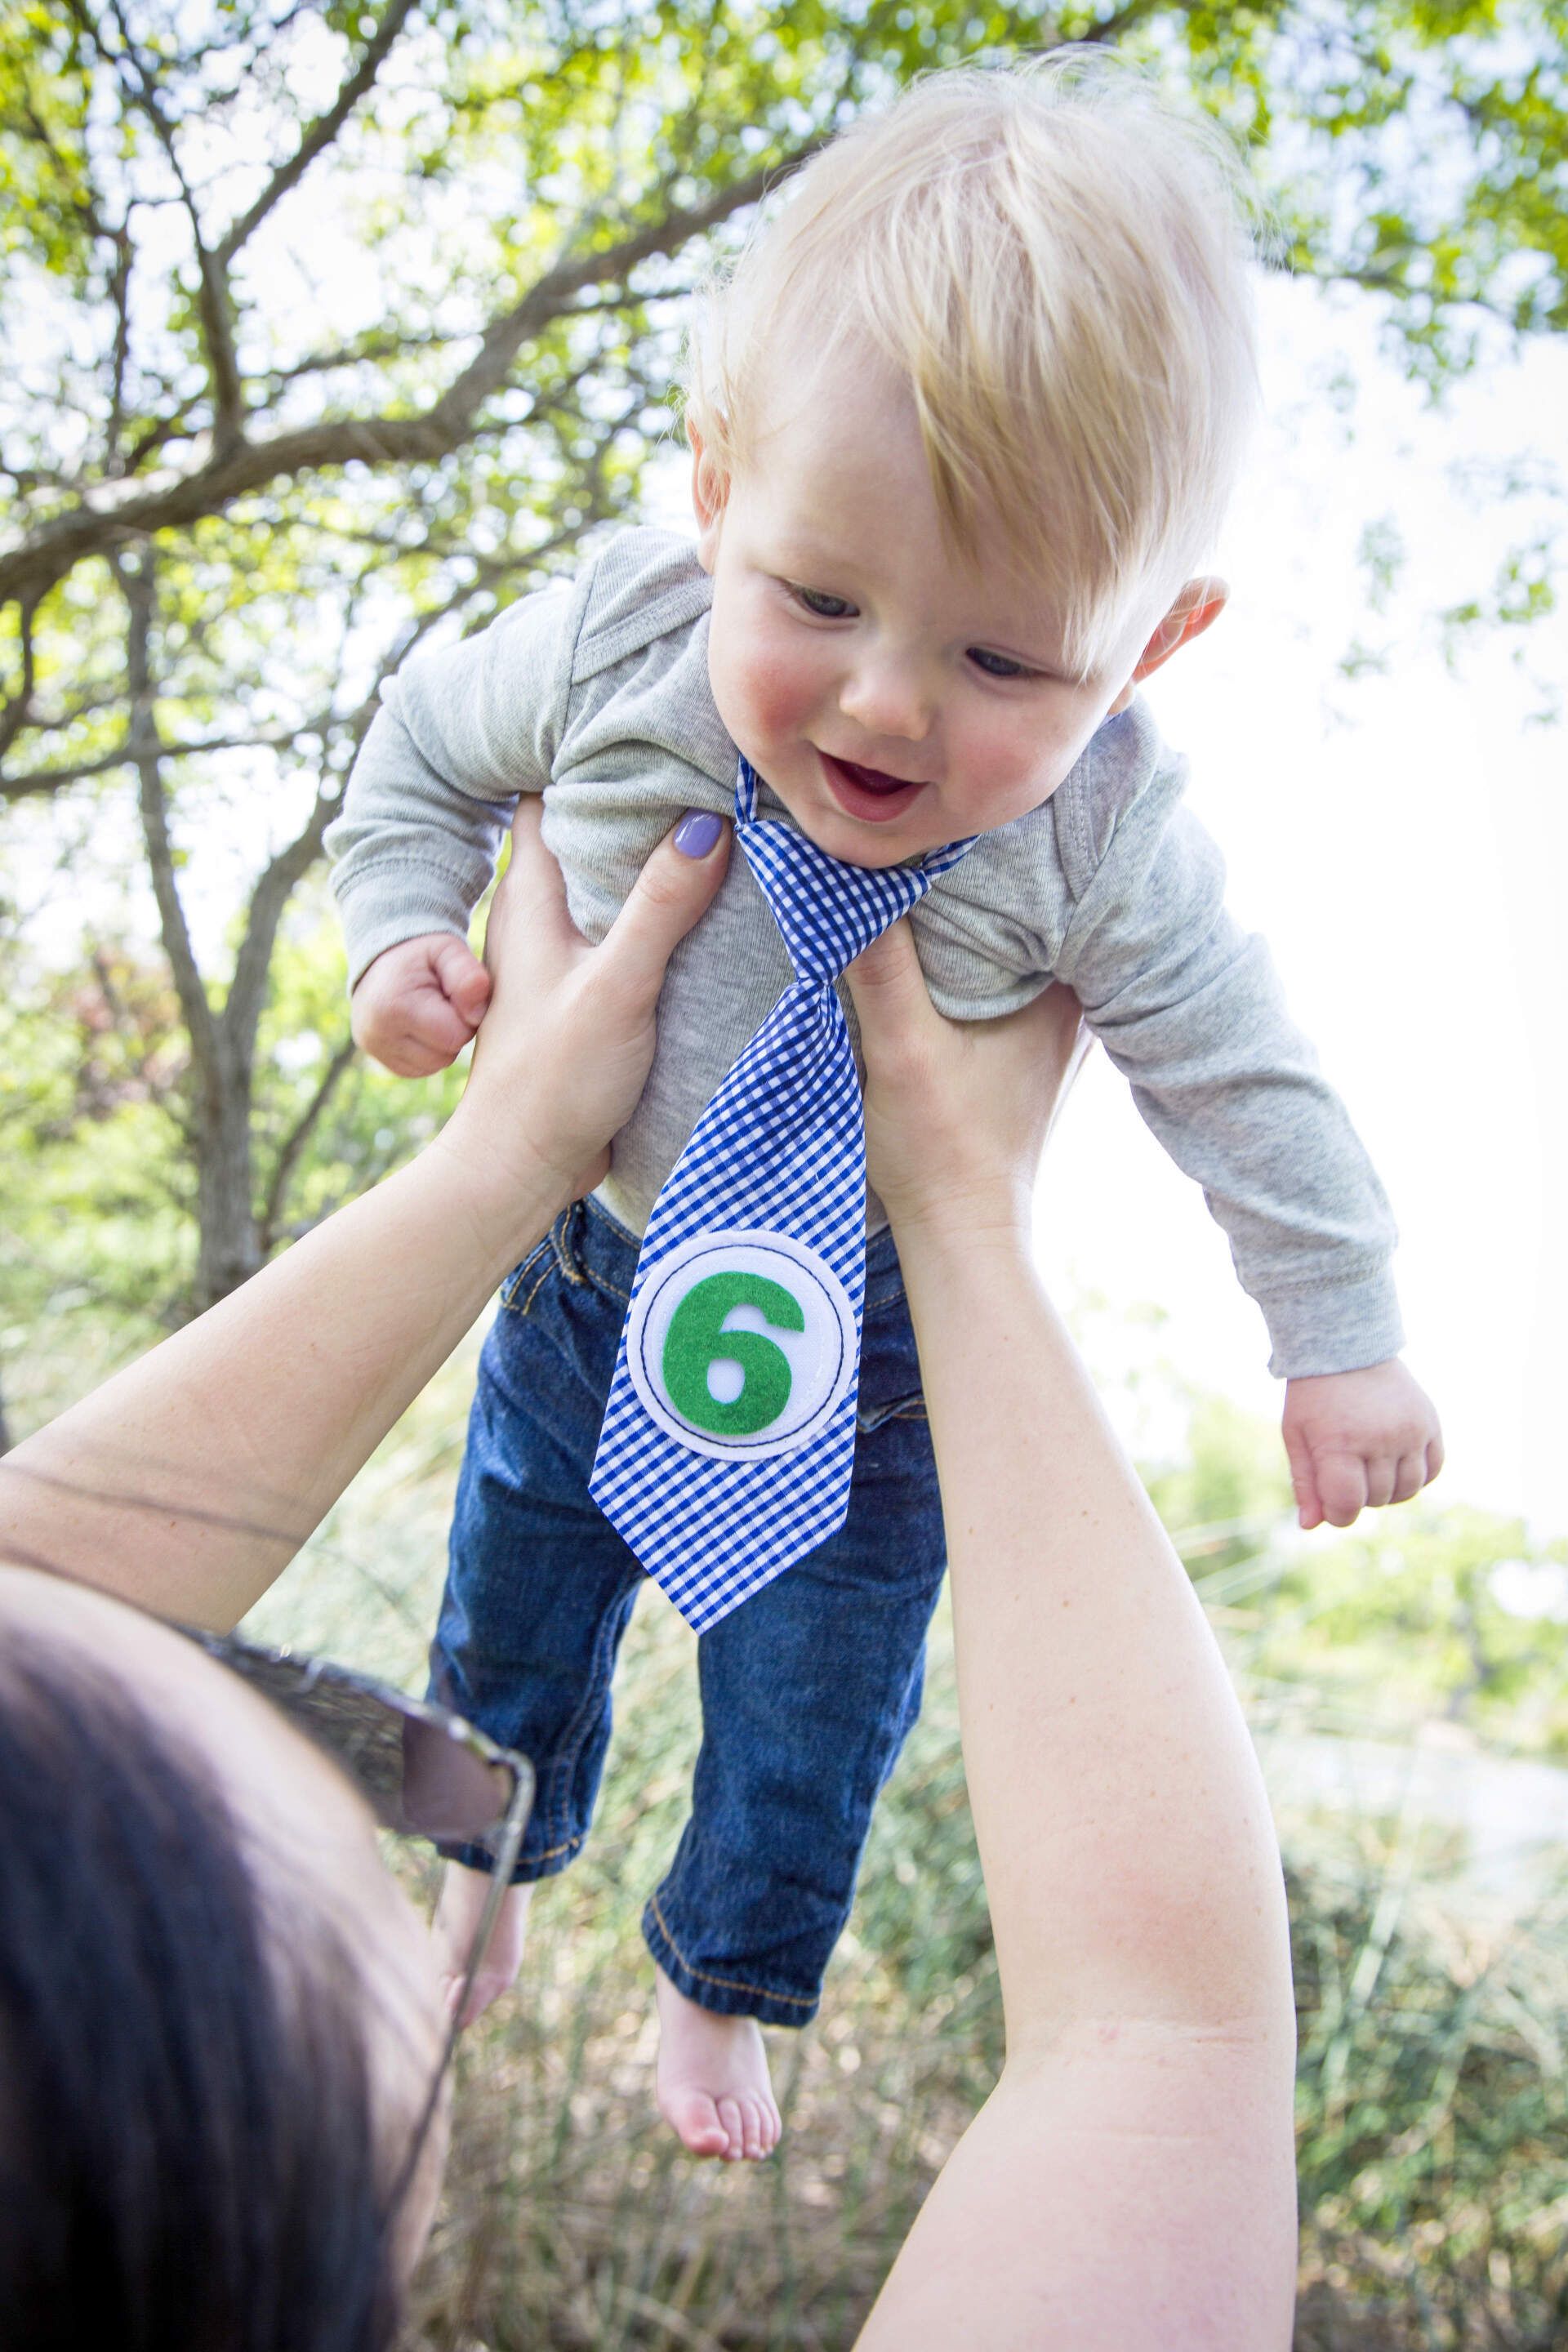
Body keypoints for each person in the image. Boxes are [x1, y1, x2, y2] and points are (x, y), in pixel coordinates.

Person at [325, 53, 1439, 2160]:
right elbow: (417, 756)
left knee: (818, 1715)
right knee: (510, 1600)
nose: (887, 702)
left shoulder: (1108, 839)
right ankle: (480, 1873)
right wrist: (402, 939)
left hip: (877, 1374)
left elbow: (1241, 1071)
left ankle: (724, 1985)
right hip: (589, 1281)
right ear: (719, 486)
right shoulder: (618, 644)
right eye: (822, 599)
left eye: (1012, 662)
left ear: (1158, 641)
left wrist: (1340, 1327)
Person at [0, 807, 1298, 2346]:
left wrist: (512, 1149)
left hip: (624, 1239)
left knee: (532, 1651)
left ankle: (519, 1892)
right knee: (626, 1653)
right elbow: (1163, 2039)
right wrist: (967, 1223)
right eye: (342, 1768)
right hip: (728, 1306)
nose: (358, 1724)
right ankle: (647, 1939)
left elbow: (41, 1594)